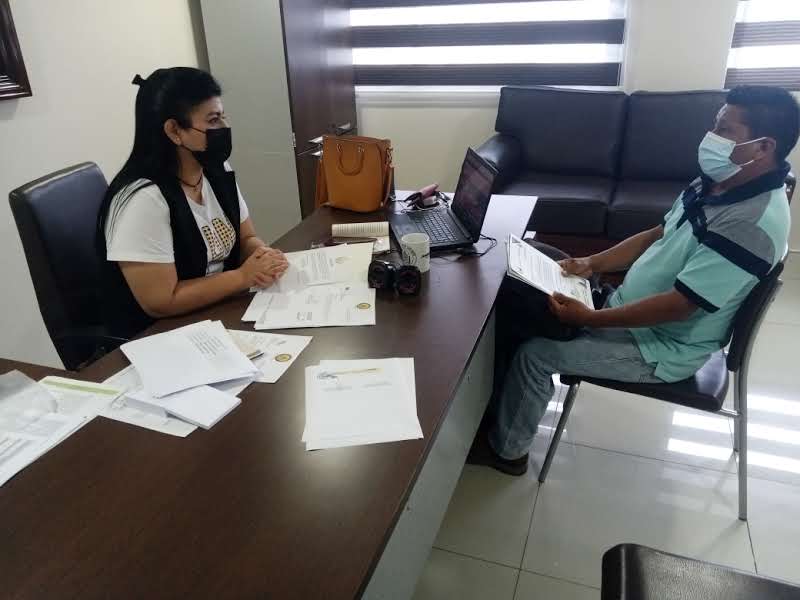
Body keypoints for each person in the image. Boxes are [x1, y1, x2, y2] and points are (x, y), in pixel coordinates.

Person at [470, 85, 799, 476]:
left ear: (764, 147)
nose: (711, 137)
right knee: (538, 259)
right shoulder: (717, 182)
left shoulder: (752, 224)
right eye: (715, 124)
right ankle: (485, 405)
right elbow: (657, 233)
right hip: (624, 305)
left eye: (725, 130)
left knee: (534, 354)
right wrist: (591, 262)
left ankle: (508, 452)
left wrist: (590, 320)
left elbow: (678, 307)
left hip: (660, 346)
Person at [97, 67, 288, 338]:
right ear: (174, 130)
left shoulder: (216, 170)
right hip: (157, 336)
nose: (224, 128)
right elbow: (161, 301)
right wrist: (243, 277)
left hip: (214, 313)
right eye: (213, 120)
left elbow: (246, 238)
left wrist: (263, 256)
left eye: (223, 117)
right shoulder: (144, 200)